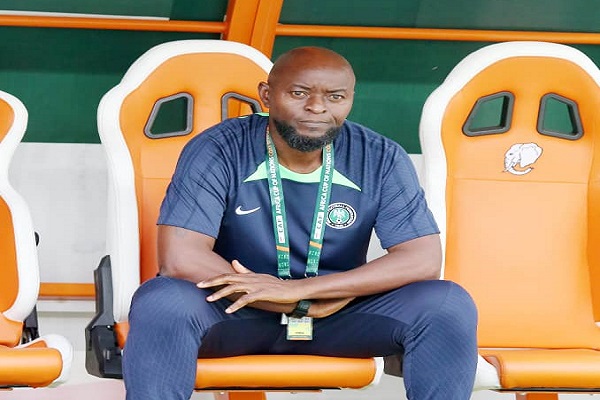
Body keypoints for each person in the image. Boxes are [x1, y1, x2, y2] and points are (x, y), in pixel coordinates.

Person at [122, 46, 478, 400]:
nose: (317, 107)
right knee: (163, 301)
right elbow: (181, 258)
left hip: (337, 314)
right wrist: (288, 301)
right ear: (266, 95)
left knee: (447, 304)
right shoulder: (219, 148)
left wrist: (303, 291)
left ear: (350, 99)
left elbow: (422, 259)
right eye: (299, 93)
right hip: (236, 311)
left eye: (335, 97)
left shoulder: (379, 156)